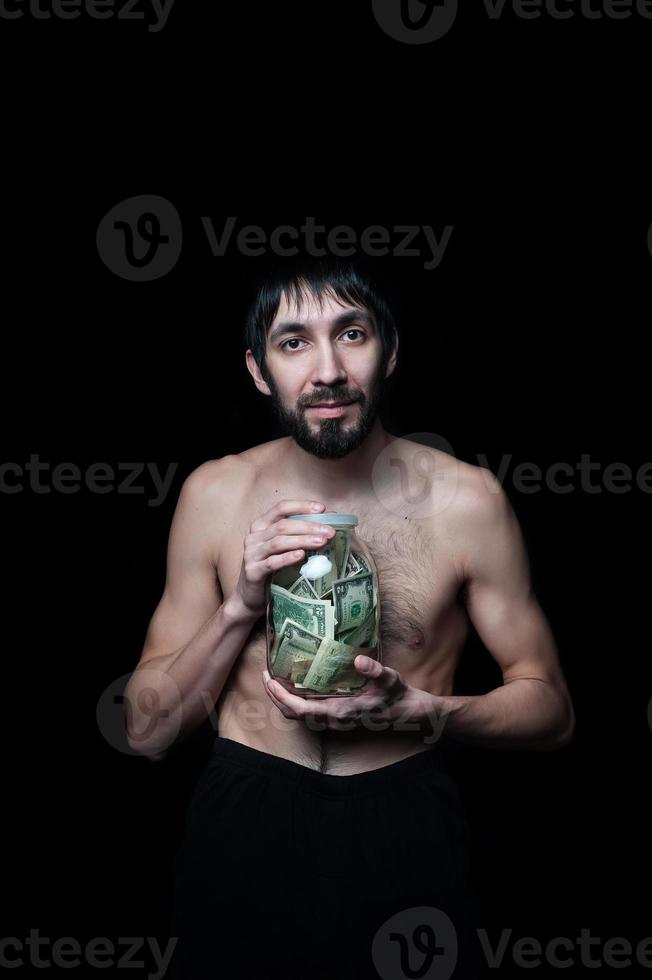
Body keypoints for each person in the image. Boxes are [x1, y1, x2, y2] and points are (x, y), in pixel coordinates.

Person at [124, 257, 575, 980]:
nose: (327, 369)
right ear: (258, 369)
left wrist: (430, 712)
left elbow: (553, 711)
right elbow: (145, 732)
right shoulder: (213, 494)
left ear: (389, 349)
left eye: (352, 333)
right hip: (245, 814)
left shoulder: (468, 501)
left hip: (405, 822)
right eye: (294, 342)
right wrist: (240, 604)